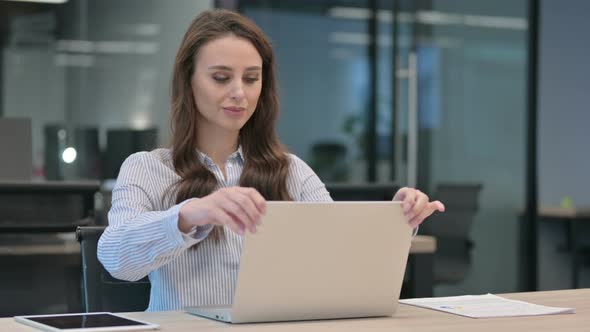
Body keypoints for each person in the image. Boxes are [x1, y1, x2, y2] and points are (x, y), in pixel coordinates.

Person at [97, 9, 445, 312]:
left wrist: (398, 221)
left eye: (251, 78)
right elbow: (115, 259)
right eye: (221, 78)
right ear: (188, 82)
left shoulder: (290, 171)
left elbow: (339, 254)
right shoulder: (148, 167)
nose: (239, 92)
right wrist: (190, 214)